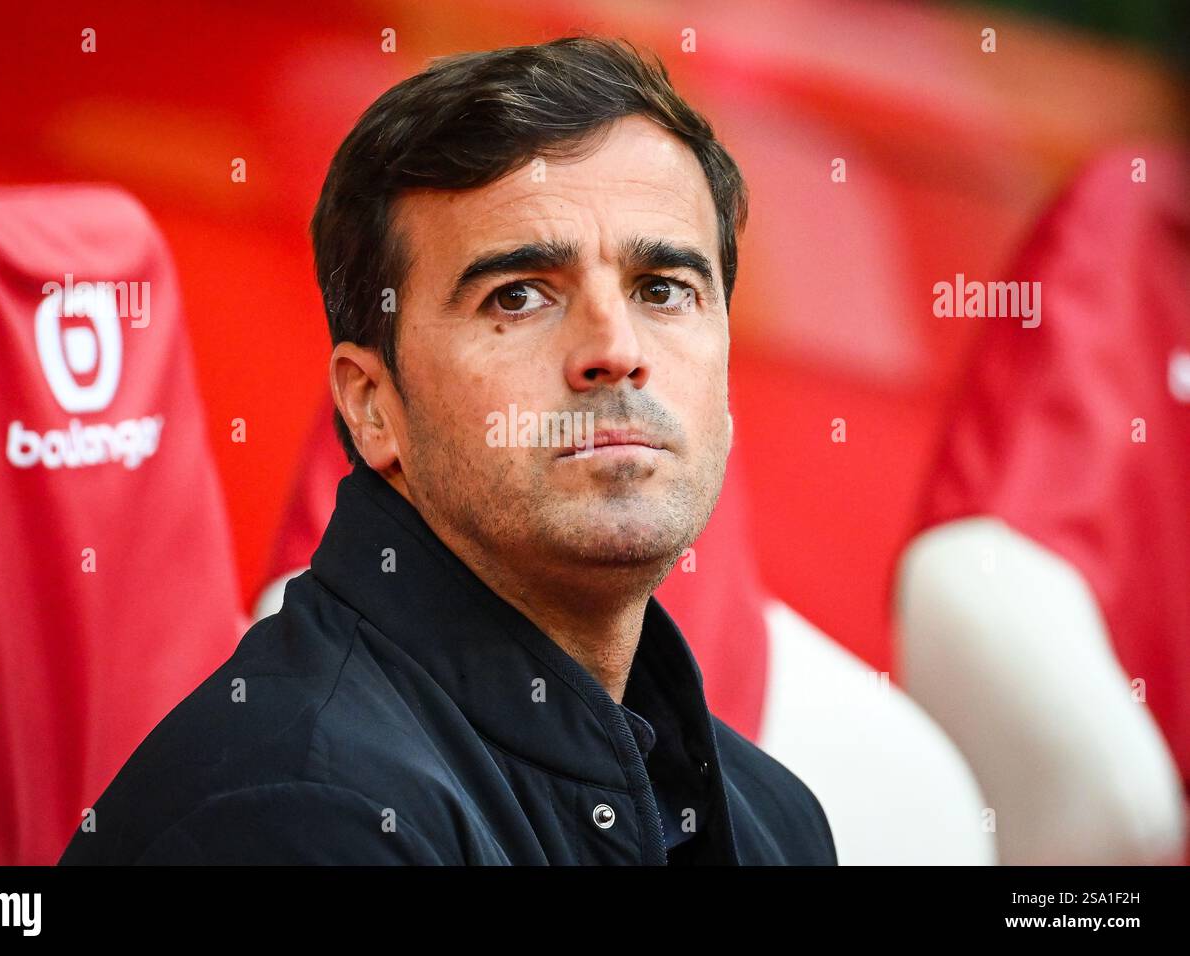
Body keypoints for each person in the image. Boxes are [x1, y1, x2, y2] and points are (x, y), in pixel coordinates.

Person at [59, 34, 836, 865]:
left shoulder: (776, 820)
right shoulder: (298, 817)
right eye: (520, 296)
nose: (615, 348)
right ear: (372, 406)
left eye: (663, 290)